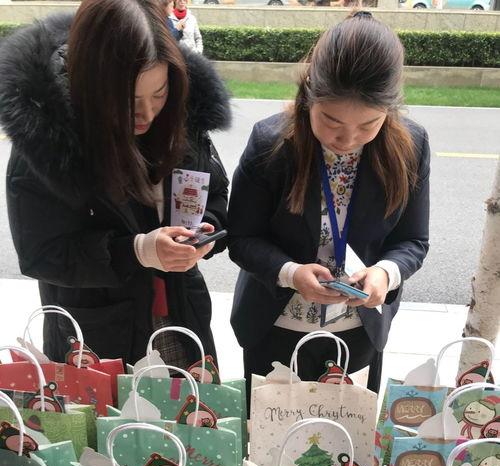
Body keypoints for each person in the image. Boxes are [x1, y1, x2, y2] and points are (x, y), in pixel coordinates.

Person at [0, 0, 231, 368]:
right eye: (129, 100)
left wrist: (207, 230)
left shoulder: (183, 110)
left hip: (181, 319)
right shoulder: (47, 138)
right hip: (97, 337)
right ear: (91, 85)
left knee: (189, 404)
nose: (147, 113)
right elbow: (42, 253)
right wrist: (138, 250)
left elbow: (213, 189)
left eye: (158, 94)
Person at [227, 12, 430, 396]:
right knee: (271, 431)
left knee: (347, 432)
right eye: (331, 121)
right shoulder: (272, 143)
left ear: (389, 111)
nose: (347, 139)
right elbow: (241, 237)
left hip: (357, 331)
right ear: (308, 96)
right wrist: (290, 273)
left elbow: (413, 241)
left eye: (368, 125)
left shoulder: (410, 146)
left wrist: (385, 273)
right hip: (275, 328)